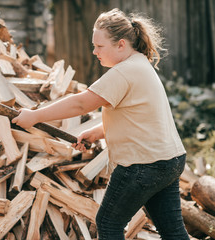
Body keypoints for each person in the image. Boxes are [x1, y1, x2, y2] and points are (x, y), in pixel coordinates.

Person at [12, 8, 190, 240]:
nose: (94, 51)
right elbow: (139, 118)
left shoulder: (124, 72)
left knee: (108, 224)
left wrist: (34, 116)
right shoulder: (139, 64)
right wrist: (98, 132)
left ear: (121, 44)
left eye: (99, 46)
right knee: (173, 231)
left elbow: (81, 104)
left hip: (143, 165)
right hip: (169, 160)